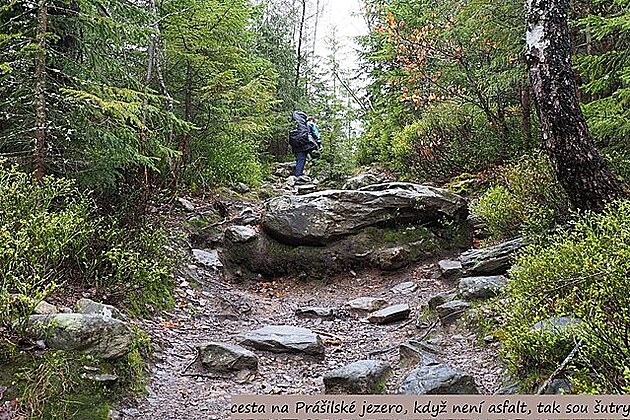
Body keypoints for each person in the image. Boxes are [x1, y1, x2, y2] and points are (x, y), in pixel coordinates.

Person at [288, 110, 318, 178]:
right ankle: (316, 176)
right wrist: (319, 143)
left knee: (300, 159)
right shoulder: (309, 123)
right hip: (308, 143)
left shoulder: (294, 125)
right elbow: (315, 134)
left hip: (297, 145)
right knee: (316, 157)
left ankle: (298, 176)